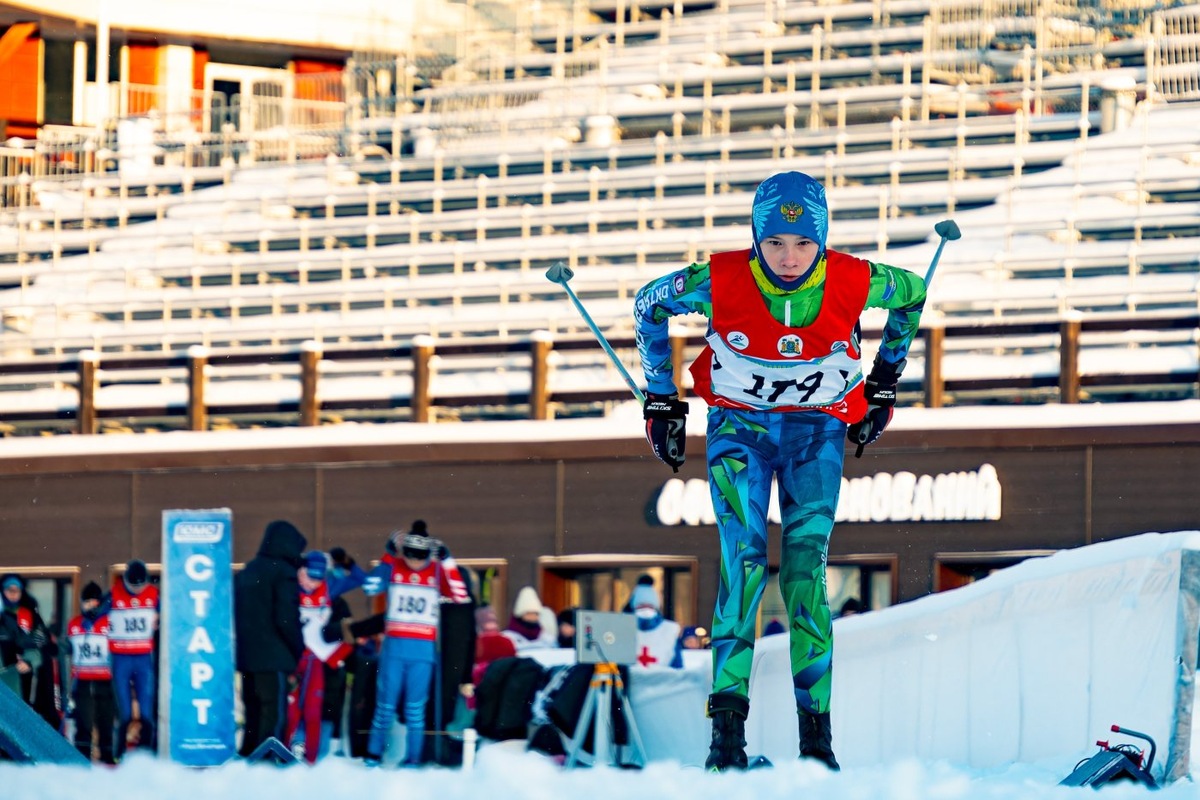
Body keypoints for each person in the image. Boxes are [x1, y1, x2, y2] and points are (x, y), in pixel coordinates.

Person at [633, 170, 927, 772]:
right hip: (741, 431)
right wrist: (661, 397)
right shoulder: (718, 279)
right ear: (755, 239)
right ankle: (725, 740)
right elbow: (649, 303)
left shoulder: (854, 278)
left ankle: (816, 744)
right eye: (774, 244)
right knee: (740, 564)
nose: (789, 259)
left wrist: (884, 381)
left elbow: (913, 292)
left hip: (815, 432)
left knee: (803, 572)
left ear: (821, 240)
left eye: (803, 245)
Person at [361, 520, 470, 767]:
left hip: (422, 652)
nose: (415, 562)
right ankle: (373, 755)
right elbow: (370, 587)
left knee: (414, 711)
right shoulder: (395, 566)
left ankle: (414, 759)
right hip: (394, 651)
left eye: (420, 557)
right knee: (385, 707)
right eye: (410, 556)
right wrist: (388, 555)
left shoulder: (435, 571)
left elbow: (461, 595)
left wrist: (447, 561)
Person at [234, 519, 307, 758]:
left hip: (247, 658)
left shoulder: (247, 571)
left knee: (253, 712)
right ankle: (268, 763)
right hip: (274, 657)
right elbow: (286, 618)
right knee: (273, 715)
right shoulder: (283, 573)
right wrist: (297, 650)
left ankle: (248, 758)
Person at [284, 551, 355, 764]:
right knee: (292, 711)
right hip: (296, 657)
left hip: (321, 663)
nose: (312, 584)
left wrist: (341, 560)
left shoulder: (334, 595)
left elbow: (348, 639)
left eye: (318, 579)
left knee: (314, 712)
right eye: (308, 577)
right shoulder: (290, 589)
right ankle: (286, 753)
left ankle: (313, 759)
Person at [109, 559, 159, 756]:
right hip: (121, 658)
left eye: (141, 586)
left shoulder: (154, 595)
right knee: (125, 713)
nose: (137, 591)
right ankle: (118, 754)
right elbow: (96, 618)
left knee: (146, 711)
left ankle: (146, 753)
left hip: (143, 658)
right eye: (133, 586)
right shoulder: (113, 594)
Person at [66, 581, 116, 764]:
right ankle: (81, 759)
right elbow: (68, 648)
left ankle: (108, 758)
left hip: (105, 680)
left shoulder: (109, 623)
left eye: (94, 603)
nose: (91, 606)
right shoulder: (74, 624)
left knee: (105, 722)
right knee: (84, 723)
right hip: (82, 681)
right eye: (87, 602)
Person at [0, 574, 41, 698]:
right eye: (9, 590)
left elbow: (32, 648)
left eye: (16, 590)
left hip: (7, 684)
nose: (13, 594)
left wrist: (28, 661)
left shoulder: (8, 623)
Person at [629, 578, 683, 669]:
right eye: (641, 606)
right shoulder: (623, 629)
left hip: (663, 682)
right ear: (634, 608)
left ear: (656, 607)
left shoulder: (670, 630)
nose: (645, 609)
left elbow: (677, 667)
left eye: (650, 606)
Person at [502, 586, 557, 652]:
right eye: (529, 613)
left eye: (535, 614)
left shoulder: (547, 639)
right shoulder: (507, 638)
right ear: (520, 615)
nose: (533, 617)